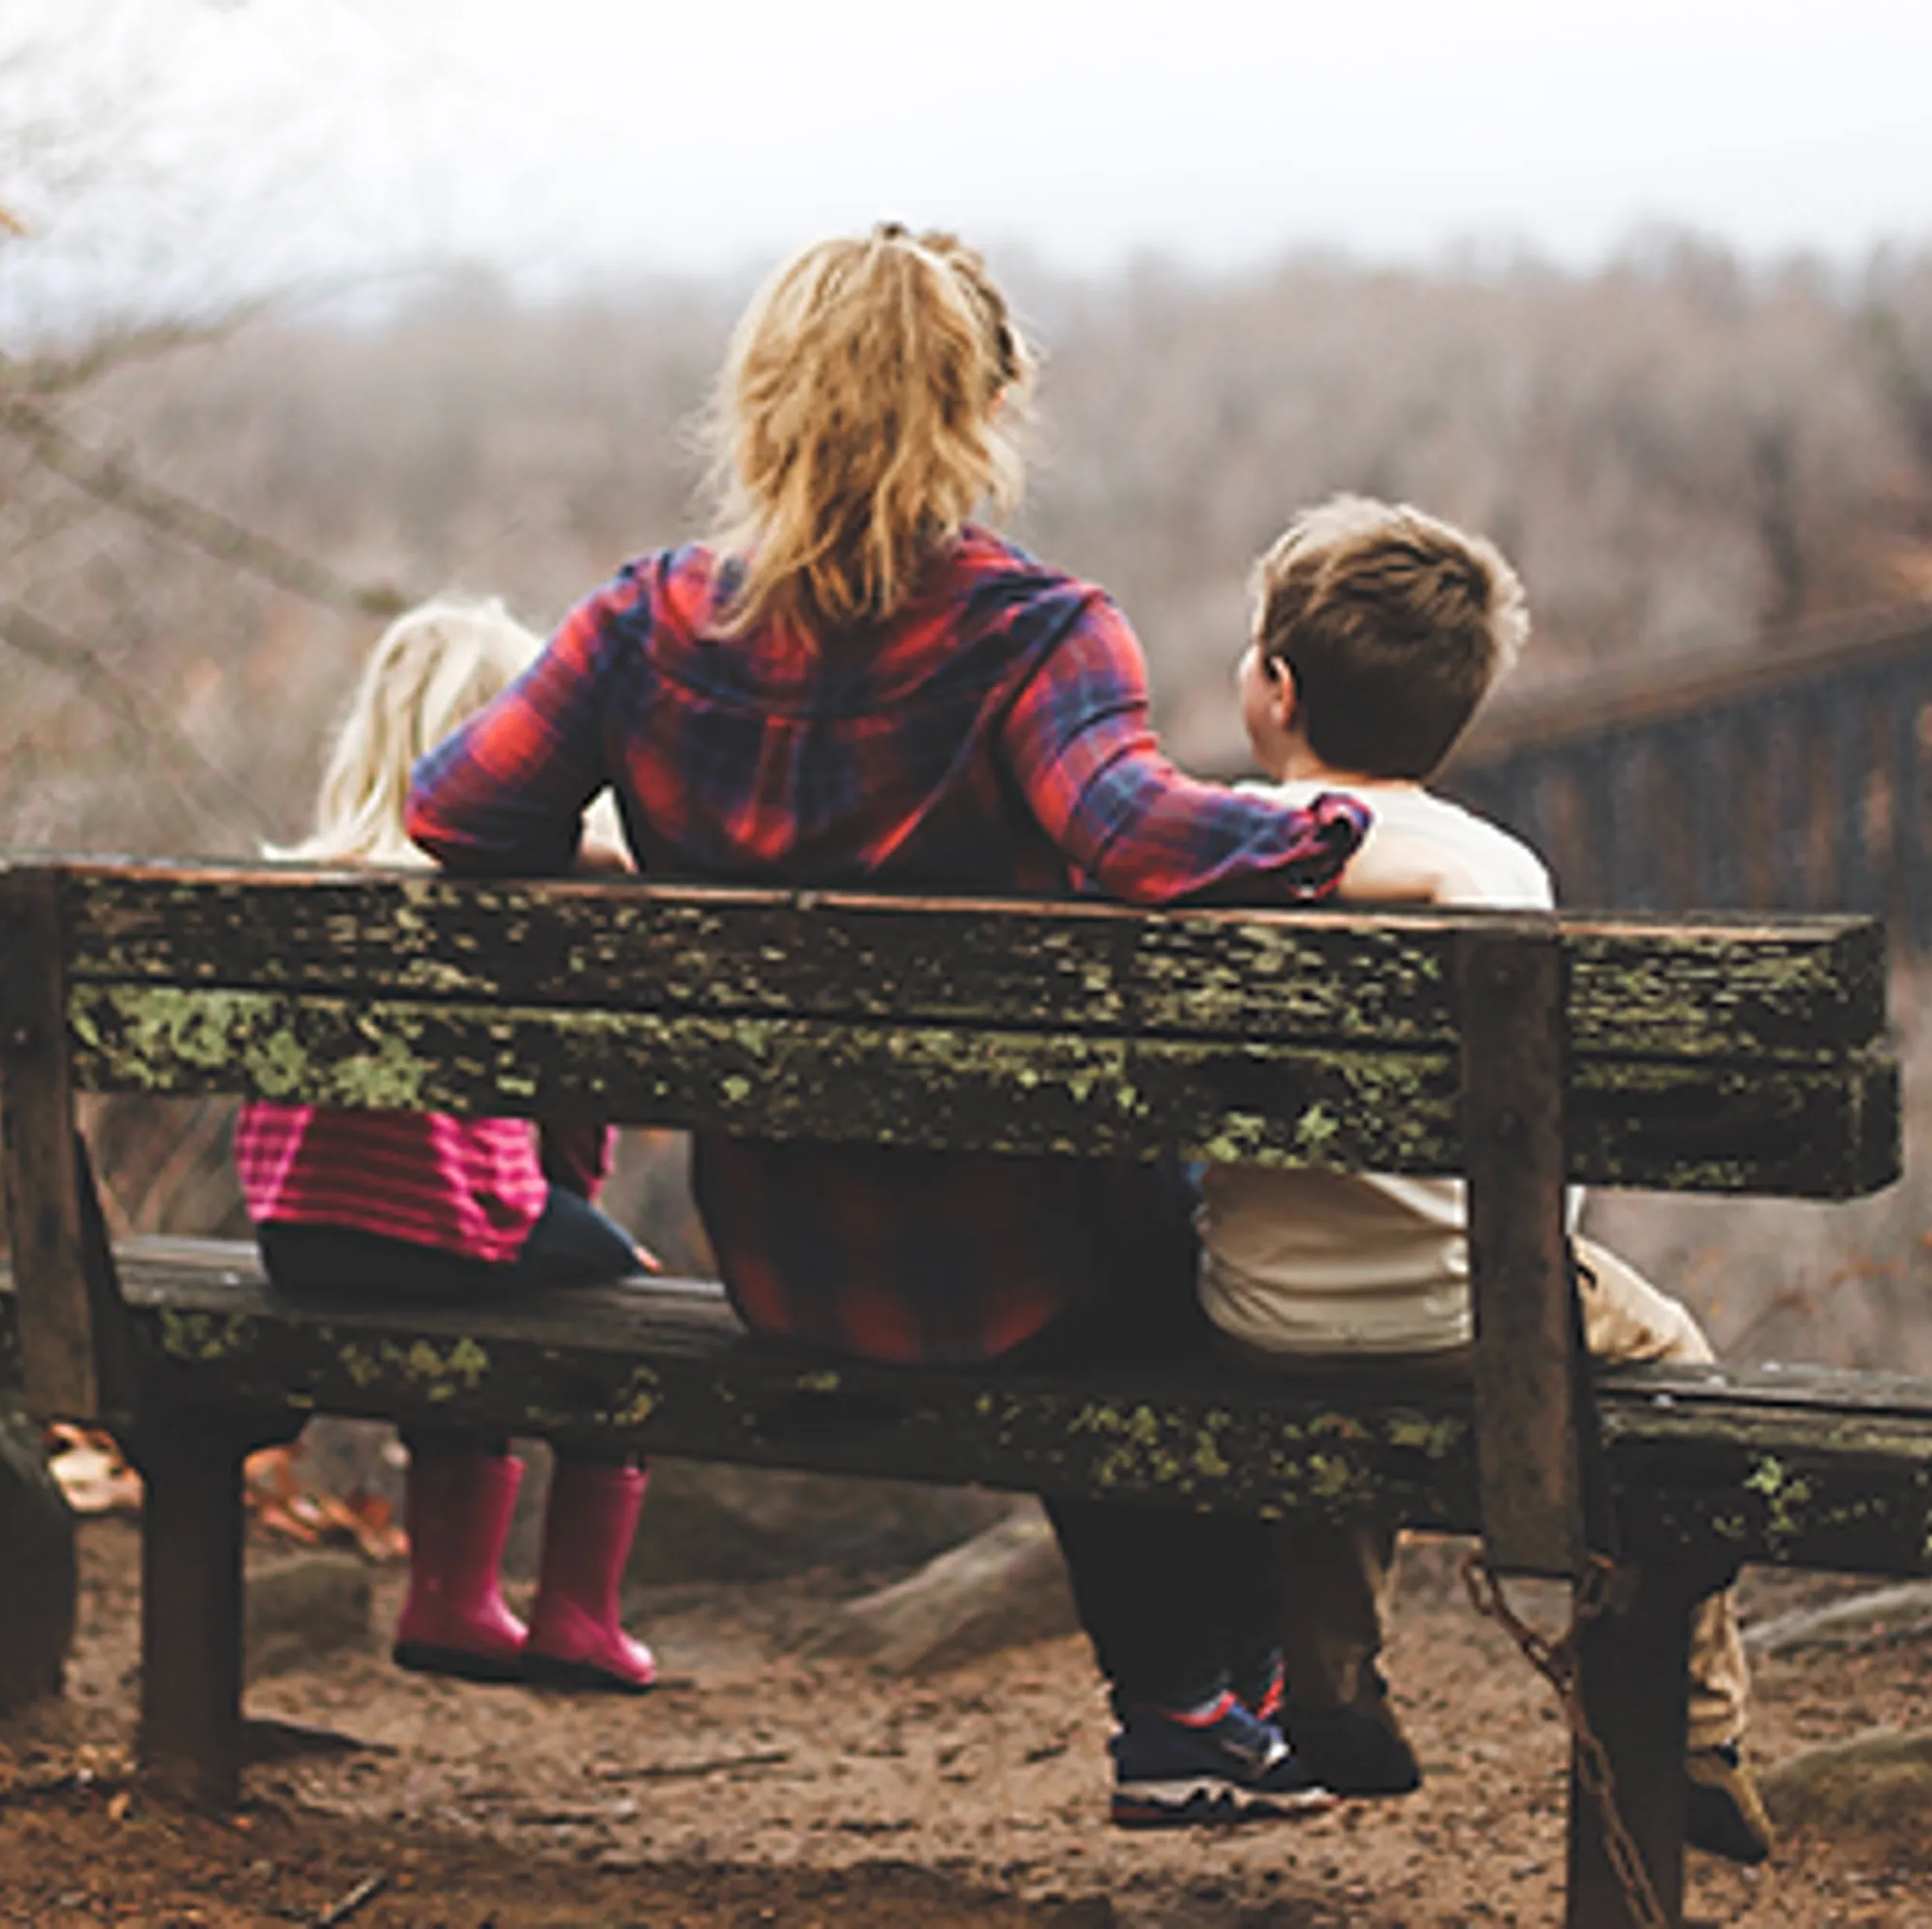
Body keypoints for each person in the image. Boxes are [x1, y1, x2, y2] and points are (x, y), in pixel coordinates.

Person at [407, 225, 1372, 1825]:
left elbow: (456, 812)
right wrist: (1330, 828)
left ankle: (1210, 1706)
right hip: (1026, 1270)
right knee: (1178, 1245)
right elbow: (1136, 837)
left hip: (788, 1258)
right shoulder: (1035, 633)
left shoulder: (642, 625)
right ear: (985, 408)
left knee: (1127, 1236)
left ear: (763, 404)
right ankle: (1203, 1701)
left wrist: (605, 854)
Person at [1199, 493, 1775, 1864]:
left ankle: (1330, 1676)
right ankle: (1700, 1728)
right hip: (1479, 1314)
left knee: (1330, 1331)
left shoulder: (1207, 849)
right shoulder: (1498, 871)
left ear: (1274, 690)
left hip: (1255, 1313)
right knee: (1675, 1360)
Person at [235, 595, 665, 1693]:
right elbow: (569, 1115)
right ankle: (577, 1614)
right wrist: (582, 1211)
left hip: (298, 1237)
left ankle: (453, 1597)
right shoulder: (512, 896)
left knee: (475, 1268)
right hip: (449, 1230)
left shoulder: (304, 885)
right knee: (623, 1296)